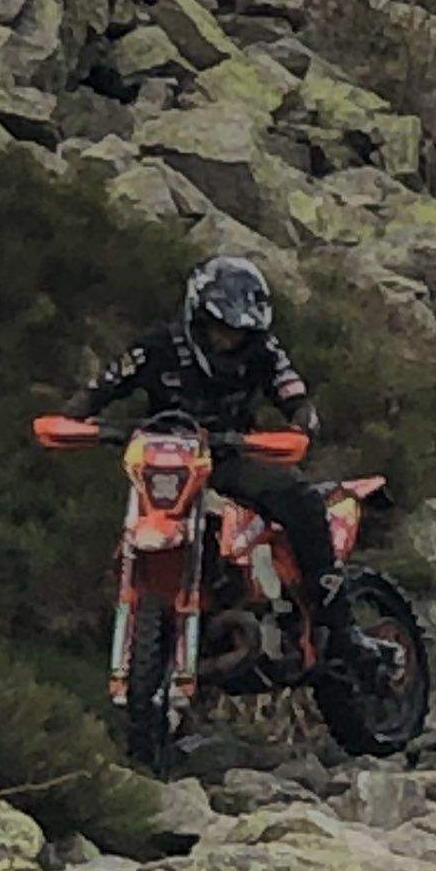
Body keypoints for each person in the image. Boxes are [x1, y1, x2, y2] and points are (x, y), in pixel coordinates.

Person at [64, 256, 365, 658]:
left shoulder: (262, 349)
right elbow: (103, 386)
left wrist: (301, 419)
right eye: (221, 328)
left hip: (231, 454)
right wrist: (71, 419)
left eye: (238, 332)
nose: (229, 339)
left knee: (300, 498)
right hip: (164, 460)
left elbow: (290, 389)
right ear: (197, 316)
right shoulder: (155, 347)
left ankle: (336, 617)